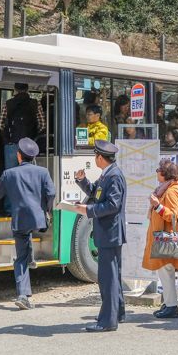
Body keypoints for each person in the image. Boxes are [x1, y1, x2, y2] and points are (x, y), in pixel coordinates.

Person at [0, 138, 56, 310]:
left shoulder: (9, 174)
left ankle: (22, 295)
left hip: (19, 220)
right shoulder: (43, 172)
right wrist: (46, 210)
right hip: (38, 219)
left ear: (18, 156)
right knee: (28, 239)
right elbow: (51, 193)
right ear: (33, 158)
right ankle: (31, 259)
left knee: (20, 257)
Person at [74, 140, 127, 332]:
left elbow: (113, 205)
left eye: (95, 156)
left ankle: (107, 321)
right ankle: (117, 313)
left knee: (108, 278)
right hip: (109, 233)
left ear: (100, 158)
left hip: (110, 234)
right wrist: (82, 181)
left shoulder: (114, 177)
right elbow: (96, 193)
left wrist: (88, 210)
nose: (94, 159)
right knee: (112, 276)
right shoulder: (108, 175)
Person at [143, 159, 178, 319]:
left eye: (158, 170)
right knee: (165, 272)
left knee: (166, 272)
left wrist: (158, 206)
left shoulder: (172, 191)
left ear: (165, 174)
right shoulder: (167, 189)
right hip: (164, 238)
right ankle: (168, 303)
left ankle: (171, 306)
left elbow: (173, 216)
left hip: (167, 238)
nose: (156, 172)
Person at [0, 83, 46, 215]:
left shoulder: (8, 103)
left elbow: (0, 124)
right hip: (29, 146)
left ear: (14, 90)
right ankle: (31, 208)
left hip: (12, 145)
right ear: (28, 90)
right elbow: (42, 124)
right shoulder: (35, 104)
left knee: (10, 177)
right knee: (31, 177)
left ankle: (9, 208)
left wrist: (7, 140)